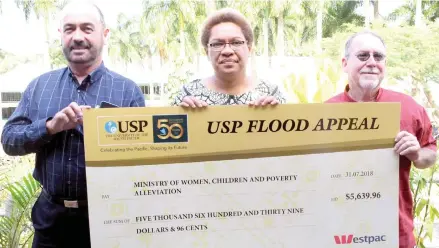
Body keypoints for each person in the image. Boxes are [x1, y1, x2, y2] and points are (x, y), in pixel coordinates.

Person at [1, 2, 145, 247]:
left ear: (105, 34)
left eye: (87, 28)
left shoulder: (127, 91)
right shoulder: (39, 86)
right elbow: (9, 141)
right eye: (69, 29)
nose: (77, 37)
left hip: (109, 220)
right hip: (50, 223)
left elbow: (143, 157)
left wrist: (106, 139)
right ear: (61, 35)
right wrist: (49, 127)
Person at [325, 31, 437, 248]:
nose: (372, 62)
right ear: (345, 63)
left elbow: (429, 155)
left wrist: (416, 154)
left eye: (378, 57)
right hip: (341, 233)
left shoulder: (409, 107)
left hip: (396, 234)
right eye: (363, 55)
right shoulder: (326, 112)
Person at [172, 8, 286, 107]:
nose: (227, 51)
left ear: (249, 48)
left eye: (236, 42)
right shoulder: (188, 94)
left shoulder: (271, 94)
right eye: (217, 44)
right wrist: (180, 116)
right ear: (207, 52)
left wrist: (276, 115)